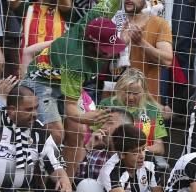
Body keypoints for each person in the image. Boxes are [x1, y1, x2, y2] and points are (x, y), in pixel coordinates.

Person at [22, 0, 128, 178]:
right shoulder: (76, 62)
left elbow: (111, 2)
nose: (110, 54)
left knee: (77, 132)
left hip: (63, 82)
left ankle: (65, 188)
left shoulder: (94, 19)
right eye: (105, 50)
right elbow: (71, 106)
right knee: (56, 133)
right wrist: (85, 117)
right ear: (92, 43)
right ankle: (37, 180)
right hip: (41, 82)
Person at [98, 123, 167, 192]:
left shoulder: (150, 161)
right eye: (135, 152)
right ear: (122, 155)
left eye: (143, 149)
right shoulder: (111, 171)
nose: (142, 156)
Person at [97, 67, 168, 155]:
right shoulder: (106, 105)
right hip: (110, 156)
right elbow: (95, 137)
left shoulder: (153, 110)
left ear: (144, 92)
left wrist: (135, 150)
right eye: (127, 92)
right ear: (119, 89)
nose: (130, 97)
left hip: (142, 160)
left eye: (135, 93)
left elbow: (160, 148)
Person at [119, 0, 174, 101]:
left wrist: (140, 43)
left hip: (146, 102)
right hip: (115, 99)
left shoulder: (159, 23)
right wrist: (120, 45)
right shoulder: (114, 21)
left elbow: (167, 61)